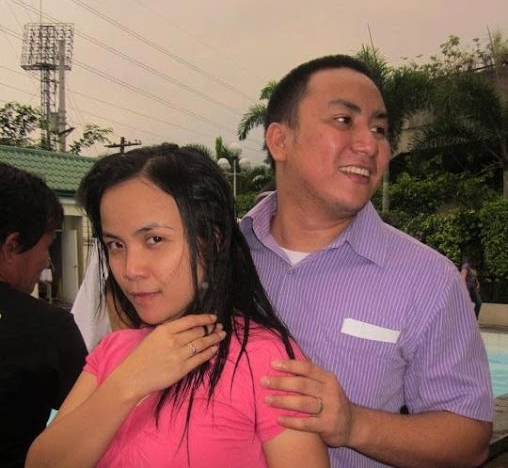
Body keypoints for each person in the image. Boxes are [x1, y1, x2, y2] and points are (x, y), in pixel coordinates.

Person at [239, 55, 494, 467]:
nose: (370, 145)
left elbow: (470, 440)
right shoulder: (218, 256)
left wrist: (353, 424)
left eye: (379, 130)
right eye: (344, 120)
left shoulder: (428, 279)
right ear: (280, 140)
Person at [27, 145, 329, 468]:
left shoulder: (264, 358)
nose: (130, 268)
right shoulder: (114, 351)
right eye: (116, 245)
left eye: (154, 240)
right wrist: (128, 382)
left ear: (212, 241)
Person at [0, 163, 87, 468]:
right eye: (47, 246)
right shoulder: (49, 329)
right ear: (12, 247)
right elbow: (91, 422)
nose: (47, 261)